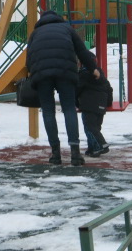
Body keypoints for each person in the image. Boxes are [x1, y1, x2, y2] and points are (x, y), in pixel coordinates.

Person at [26, 10, 99, 166]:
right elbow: (81, 51)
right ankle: (75, 153)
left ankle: (55, 153)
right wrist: (93, 68)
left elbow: (29, 58)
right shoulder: (67, 29)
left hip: (42, 75)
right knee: (69, 109)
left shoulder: (35, 33)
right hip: (65, 72)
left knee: (47, 111)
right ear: (58, 19)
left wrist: (34, 72)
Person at [76, 52, 113, 157]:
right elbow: (109, 89)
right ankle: (93, 149)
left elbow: (77, 90)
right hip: (101, 105)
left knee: (90, 127)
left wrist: (76, 103)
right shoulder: (101, 74)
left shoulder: (83, 74)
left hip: (89, 104)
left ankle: (101, 145)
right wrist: (108, 103)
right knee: (96, 127)